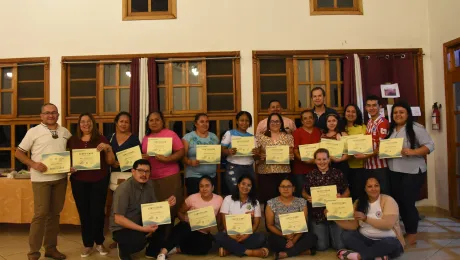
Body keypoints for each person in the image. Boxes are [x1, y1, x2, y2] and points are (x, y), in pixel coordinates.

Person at [15, 103, 72, 260]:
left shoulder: (65, 132)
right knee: (40, 215)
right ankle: (33, 253)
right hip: (41, 180)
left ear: (58, 115)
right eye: (47, 113)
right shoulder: (33, 132)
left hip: (60, 179)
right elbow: (18, 153)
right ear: (41, 116)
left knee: (54, 215)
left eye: (53, 112)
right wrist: (33, 164)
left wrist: (72, 165)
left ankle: (51, 249)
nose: (50, 115)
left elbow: (72, 152)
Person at [67, 112, 115, 257]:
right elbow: (67, 159)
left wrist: (108, 148)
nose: (85, 124)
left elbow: (111, 161)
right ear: (79, 124)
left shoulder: (101, 138)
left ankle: (99, 242)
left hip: (99, 180)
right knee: (84, 213)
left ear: (93, 123)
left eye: (88, 121)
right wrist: (69, 167)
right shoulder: (72, 140)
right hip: (79, 181)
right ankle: (87, 244)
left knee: (98, 212)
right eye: (82, 121)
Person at [386, 101, 434, 245]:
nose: (398, 115)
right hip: (394, 171)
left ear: (407, 114)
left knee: (407, 203)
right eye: (395, 112)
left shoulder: (416, 128)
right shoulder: (391, 129)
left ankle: (412, 235)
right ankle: (403, 230)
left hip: (412, 171)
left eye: (401, 112)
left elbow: (430, 145)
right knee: (399, 203)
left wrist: (413, 152)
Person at [110, 159, 177, 260]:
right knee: (139, 241)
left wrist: (166, 203)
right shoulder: (124, 189)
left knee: (165, 219)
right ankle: (123, 249)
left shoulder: (149, 184)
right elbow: (118, 219)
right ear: (133, 172)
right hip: (122, 228)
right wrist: (143, 229)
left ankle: (151, 251)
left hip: (141, 220)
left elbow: (153, 207)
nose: (144, 174)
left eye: (147, 171)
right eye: (140, 171)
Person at [334, 176, 405, 260]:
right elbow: (353, 226)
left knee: (391, 243)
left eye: (376, 186)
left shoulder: (388, 200)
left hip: (387, 240)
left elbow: (388, 225)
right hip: (366, 240)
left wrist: (366, 219)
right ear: (364, 188)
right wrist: (335, 218)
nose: (374, 189)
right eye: (370, 186)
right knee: (346, 235)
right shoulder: (358, 202)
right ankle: (376, 256)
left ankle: (358, 256)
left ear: (380, 187)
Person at [141, 111, 185, 222]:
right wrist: (143, 157)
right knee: (156, 209)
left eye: (157, 119)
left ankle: (168, 235)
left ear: (162, 121)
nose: (154, 122)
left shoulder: (170, 134)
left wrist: (168, 159)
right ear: (148, 123)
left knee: (170, 207)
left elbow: (181, 151)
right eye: (151, 120)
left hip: (169, 177)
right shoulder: (146, 137)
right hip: (151, 178)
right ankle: (157, 236)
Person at [303, 148, 349, 251]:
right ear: (315, 161)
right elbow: (303, 192)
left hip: (335, 213)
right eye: (319, 159)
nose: (322, 162)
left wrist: (341, 198)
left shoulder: (337, 173)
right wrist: (308, 197)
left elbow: (347, 191)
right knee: (321, 247)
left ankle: (332, 233)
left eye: (324, 159)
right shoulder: (310, 175)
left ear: (329, 160)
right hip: (318, 215)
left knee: (340, 247)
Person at [165, 175, 224, 256]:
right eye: (201, 186)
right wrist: (187, 220)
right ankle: (164, 251)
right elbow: (179, 212)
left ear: (212, 187)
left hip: (203, 232)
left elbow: (218, 219)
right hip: (188, 228)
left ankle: (178, 249)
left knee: (206, 247)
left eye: (207, 186)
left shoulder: (219, 199)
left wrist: (221, 235)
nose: (204, 189)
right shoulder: (192, 198)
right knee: (183, 227)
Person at [215, 174, 269, 258]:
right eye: (243, 184)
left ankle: (230, 249)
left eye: (249, 185)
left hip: (247, 234)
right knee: (218, 236)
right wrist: (231, 235)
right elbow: (224, 221)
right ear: (238, 184)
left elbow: (256, 224)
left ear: (251, 188)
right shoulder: (228, 199)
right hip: (230, 234)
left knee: (261, 238)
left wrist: (246, 235)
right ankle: (249, 252)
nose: (245, 187)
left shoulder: (255, 202)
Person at [266, 176, 318, 259]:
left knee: (312, 238)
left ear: (293, 188)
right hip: (280, 235)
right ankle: (304, 251)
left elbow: (304, 224)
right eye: (283, 186)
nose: (285, 189)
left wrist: (294, 239)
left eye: (289, 186)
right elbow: (270, 225)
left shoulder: (301, 202)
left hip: (298, 235)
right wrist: (284, 235)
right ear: (279, 189)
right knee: (271, 240)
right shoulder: (271, 203)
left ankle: (286, 254)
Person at [354, 95, 390, 195]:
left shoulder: (382, 123)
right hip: (368, 166)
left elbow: (382, 147)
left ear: (380, 107)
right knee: (371, 195)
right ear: (365, 108)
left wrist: (364, 156)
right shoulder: (369, 122)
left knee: (382, 194)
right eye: (369, 106)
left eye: (374, 105)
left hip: (380, 167)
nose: (371, 108)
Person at [256, 113, 294, 205]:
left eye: (277, 121)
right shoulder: (260, 137)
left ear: (281, 123)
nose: (275, 123)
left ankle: (282, 219)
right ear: (268, 123)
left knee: (283, 200)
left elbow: (291, 155)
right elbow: (256, 156)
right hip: (265, 173)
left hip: (283, 173)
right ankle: (269, 219)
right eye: (272, 121)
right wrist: (260, 157)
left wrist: (289, 156)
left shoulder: (288, 137)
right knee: (269, 201)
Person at [182, 113, 219, 195]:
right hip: (194, 176)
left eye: (207, 121)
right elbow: (182, 156)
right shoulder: (188, 137)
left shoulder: (214, 137)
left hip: (211, 176)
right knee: (195, 204)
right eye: (202, 121)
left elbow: (217, 154)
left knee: (210, 204)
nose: (205, 124)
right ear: (196, 124)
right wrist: (189, 162)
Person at [221, 111, 257, 193]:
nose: (244, 123)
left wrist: (256, 153)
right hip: (234, 167)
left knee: (249, 192)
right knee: (235, 192)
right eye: (242, 120)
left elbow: (256, 158)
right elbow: (221, 151)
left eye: (247, 121)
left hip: (249, 168)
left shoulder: (252, 137)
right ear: (237, 121)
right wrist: (228, 151)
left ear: (250, 122)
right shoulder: (230, 133)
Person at [292, 110, 322, 197]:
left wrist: (316, 161)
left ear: (314, 119)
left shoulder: (318, 131)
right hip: (300, 170)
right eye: (305, 118)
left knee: (315, 195)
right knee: (302, 195)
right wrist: (305, 160)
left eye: (310, 118)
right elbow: (295, 150)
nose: (308, 120)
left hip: (316, 168)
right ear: (302, 121)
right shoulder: (297, 132)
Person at [109, 111, 141, 190]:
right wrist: (112, 162)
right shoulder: (110, 138)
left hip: (129, 176)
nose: (123, 124)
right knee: (115, 200)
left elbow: (138, 159)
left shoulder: (134, 139)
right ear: (116, 123)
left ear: (130, 124)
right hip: (113, 176)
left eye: (126, 122)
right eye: (121, 121)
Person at [343, 104, 367, 200]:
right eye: (348, 111)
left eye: (353, 112)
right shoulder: (340, 128)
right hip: (344, 165)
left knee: (358, 193)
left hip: (359, 166)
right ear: (344, 113)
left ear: (357, 114)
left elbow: (367, 145)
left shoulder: (362, 128)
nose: (350, 114)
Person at [321, 113, 349, 181]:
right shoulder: (322, 135)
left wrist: (339, 160)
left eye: (334, 120)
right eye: (329, 121)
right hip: (326, 166)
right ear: (326, 123)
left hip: (340, 165)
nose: (331, 123)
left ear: (338, 122)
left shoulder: (343, 134)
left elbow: (348, 153)